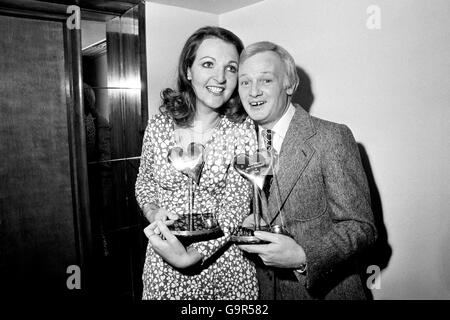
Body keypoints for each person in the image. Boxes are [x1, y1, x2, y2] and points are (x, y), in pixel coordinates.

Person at [237, 41, 377, 299]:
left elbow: (361, 228)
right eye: (245, 82)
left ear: (289, 84)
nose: (253, 91)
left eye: (265, 80)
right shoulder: (242, 142)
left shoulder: (331, 137)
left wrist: (303, 256)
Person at [135, 26, 259, 300]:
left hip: (225, 267)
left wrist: (193, 255)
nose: (220, 77)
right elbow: (144, 181)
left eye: (231, 68)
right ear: (188, 71)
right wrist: (153, 211)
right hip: (164, 263)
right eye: (208, 64)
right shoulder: (159, 126)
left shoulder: (243, 129)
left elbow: (237, 204)